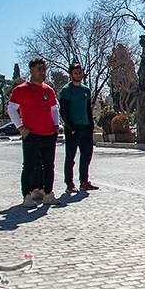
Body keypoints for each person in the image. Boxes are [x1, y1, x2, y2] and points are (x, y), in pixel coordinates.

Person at [8, 57, 62, 208]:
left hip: (48, 134)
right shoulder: (21, 89)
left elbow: (54, 108)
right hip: (31, 134)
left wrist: (56, 125)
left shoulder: (48, 90)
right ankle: (27, 196)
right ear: (31, 70)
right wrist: (20, 127)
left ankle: (48, 194)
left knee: (49, 165)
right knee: (30, 166)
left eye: (44, 69)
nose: (42, 72)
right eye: (39, 69)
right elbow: (12, 109)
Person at [60, 62, 98, 193]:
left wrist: (91, 125)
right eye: (75, 73)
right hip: (73, 128)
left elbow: (88, 109)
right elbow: (63, 111)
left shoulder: (86, 90)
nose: (78, 75)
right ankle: (69, 183)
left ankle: (84, 181)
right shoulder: (66, 90)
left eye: (80, 72)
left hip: (86, 127)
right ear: (71, 74)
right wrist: (71, 126)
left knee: (86, 155)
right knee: (70, 156)